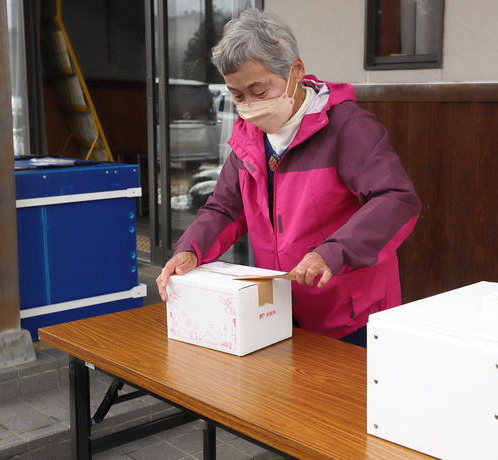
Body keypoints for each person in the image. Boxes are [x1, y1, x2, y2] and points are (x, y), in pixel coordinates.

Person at [156, 8, 421, 347]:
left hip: (352, 313)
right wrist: (190, 250)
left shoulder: (347, 127)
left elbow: (397, 200)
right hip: (278, 310)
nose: (249, 105)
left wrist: (333, 252)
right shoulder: (248, 138)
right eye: (238, 96)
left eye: (259, 90)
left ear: (295, 71)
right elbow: (224, 208)